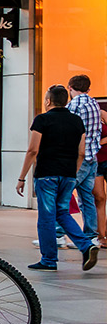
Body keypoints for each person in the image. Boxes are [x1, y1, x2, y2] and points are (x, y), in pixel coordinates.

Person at [18, 85, 99, 271]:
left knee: (46, 217)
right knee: (62, 212)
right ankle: (86, 246)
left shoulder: (42, 120)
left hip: (47, 175)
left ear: (48, 101)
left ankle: (48, 259)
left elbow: (33, 150)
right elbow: (81, 152)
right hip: (69, 174)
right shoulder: (76, 121)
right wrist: (73, 172)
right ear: (65, 101)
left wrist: (22, 177)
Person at [66, 75, 100, 246]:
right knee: (87, 198)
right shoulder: (94, 103)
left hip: (78, 158)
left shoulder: (74, 105)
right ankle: (91, 236)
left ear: (70, 87)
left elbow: (68, 130)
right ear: (88, 88)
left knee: (62, 194)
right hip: (92, 157)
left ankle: (58, 233)